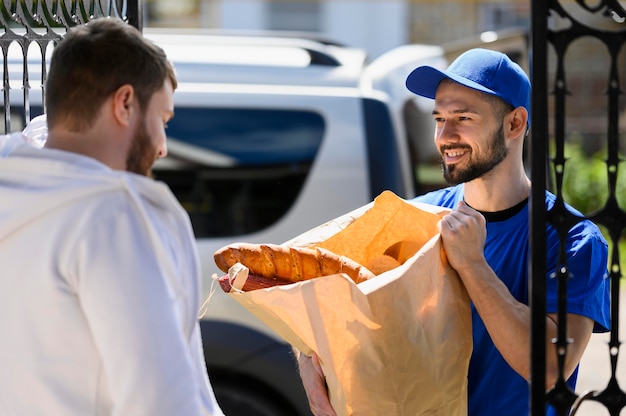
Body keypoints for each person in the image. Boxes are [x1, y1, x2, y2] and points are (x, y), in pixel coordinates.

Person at [295, 48, 610, 415]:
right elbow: (322, 306)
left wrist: (473, 266)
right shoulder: (415, 215)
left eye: (463, 117)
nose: (445, 136)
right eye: (439, 118)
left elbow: (551, 370)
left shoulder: (572, 240)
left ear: (514, 124)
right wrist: (314, 383)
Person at [0, 18, 225, 415]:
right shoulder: (110, 219)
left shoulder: (16, 186)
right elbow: (161, 403)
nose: (163, 147)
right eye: (163, 119)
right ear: (124, 103)